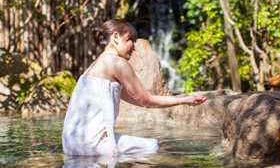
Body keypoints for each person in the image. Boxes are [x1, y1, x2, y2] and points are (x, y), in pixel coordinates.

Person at [62, 19, 207, 156]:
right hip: (94, 146)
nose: (134, 46)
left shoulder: (94, 66)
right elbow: (147, 100)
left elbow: (140, 101)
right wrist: (184, 100)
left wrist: (182, 99)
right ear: (116, 37)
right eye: (130, 39)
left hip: (71, 145)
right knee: (156, 147)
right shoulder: (117, 63)